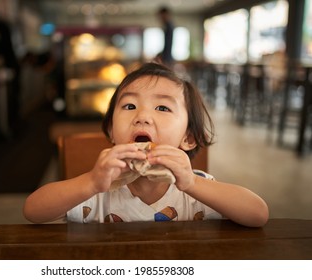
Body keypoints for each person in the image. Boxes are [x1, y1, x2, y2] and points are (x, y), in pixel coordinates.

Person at [23, 62, 269, 227]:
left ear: (189, 138)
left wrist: (193, 183)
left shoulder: (196, 191)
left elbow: (258, 215)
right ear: (111, 130)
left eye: (162, 107)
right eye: (129, 106)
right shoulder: (98, 188)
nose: (141, 116)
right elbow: (33, 211)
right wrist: (90, 182)